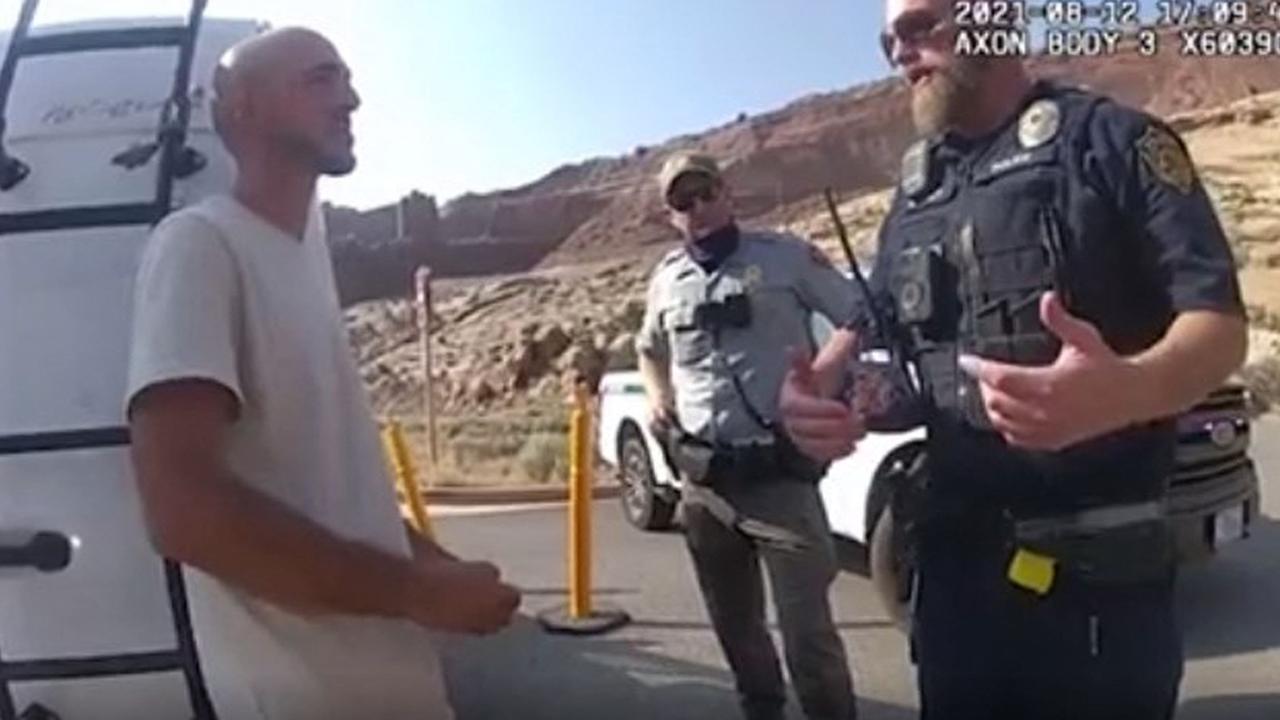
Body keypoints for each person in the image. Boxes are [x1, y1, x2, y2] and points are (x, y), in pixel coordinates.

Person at [779, 1, 1248, 718]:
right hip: (955, 591)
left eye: (920, 27)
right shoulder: (916, 194)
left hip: (1097, 595)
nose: (900, 53)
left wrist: (1125, 392)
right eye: (888, 40)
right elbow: (893, 348)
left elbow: (1219, 328)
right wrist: (840, 393)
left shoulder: (1113, 143)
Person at [125, 28, 520, 720]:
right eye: (321, 80)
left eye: (347, 80)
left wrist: (432, 565)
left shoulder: (307, 258)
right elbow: (183, 510)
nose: (352, 99)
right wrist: (418, 592)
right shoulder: (200, 244)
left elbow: (330, 492)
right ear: (244, 107)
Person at [635, 151, 862, 720]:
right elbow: (646, 348)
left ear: (727, 193)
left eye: (706, 193)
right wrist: (658, 396)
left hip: (780, 480)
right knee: (737, 632)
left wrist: (830, 383)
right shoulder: (667, 280)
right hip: (705, 485)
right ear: (671, 215)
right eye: (682, 202)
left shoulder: (786, 259)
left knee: (808, 637)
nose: (699, 209)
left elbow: (859, 316)